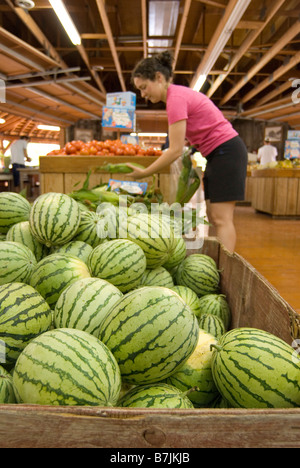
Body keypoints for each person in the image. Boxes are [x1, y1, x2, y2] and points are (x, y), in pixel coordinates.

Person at [127, 51, 248, 253]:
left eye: (144, 87)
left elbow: (174, 150)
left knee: (222, 218)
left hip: (227, 152)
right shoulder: (178, 96)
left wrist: (144, 172)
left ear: (158, 78)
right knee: (212, 215)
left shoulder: (176, 99)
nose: (143, 94)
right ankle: (210, 261)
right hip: (217, 155)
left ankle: (224, 268)